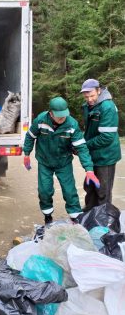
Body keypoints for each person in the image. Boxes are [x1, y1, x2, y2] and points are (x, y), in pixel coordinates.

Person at [23, 96, 100, 224]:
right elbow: (30, 136)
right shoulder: (41, 120)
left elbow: (81, 147)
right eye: (59, 116)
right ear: (50, 113)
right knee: (44, 191)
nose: (62, 118)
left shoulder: (72, 124)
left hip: (63, 162)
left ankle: (75, 217)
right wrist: (26, 153)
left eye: (64, 115)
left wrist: (89, 170)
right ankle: (47, 215)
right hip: (45, 161)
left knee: (70, 191)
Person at [80, 79, 122, 210]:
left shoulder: (107, 107)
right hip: (93, 154)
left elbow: (106, 137)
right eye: (86, 97)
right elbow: (88, 130)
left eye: (92, 95)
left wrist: (84, 145)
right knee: (90, 186)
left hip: (106, 156)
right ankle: (89, 213)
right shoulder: (87, 106)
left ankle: (103, 218)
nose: (89, 99)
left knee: (103, 190)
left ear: (99, 90)